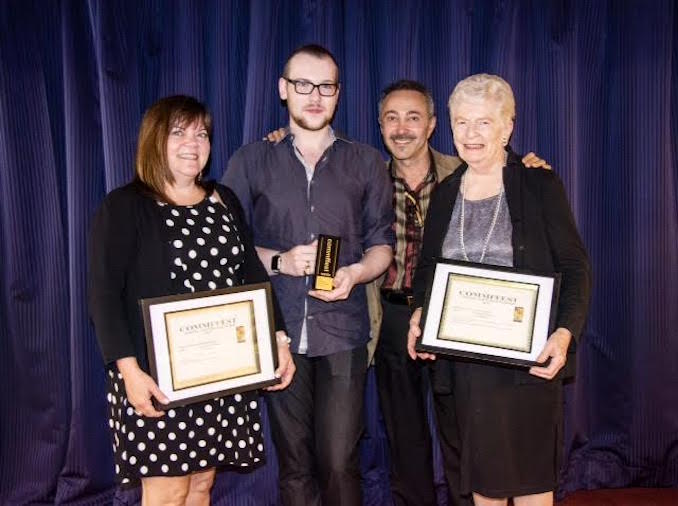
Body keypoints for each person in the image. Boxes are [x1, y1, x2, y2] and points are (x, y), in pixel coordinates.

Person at [88, 95, 295, 505]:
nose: (192, 143)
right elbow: (104, 296)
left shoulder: (224, 200)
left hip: (220, 373)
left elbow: (252, 275)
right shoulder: (125, 206)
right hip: (156, 377)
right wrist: (129, 373)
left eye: (201, 134)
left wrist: (279, 339)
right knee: (168, 491)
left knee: (201, 485)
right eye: (178, 132)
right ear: (154, 140)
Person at [407, 74, 591, 506]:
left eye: (484, 123)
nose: (471, 135)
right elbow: (429, 269)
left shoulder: (539, 183)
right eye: (461, 123)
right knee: (482, 493)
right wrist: (421, 312)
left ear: (507, 127)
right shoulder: (447, 192)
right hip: (464, 373)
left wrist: (565, 334)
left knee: (531, 492)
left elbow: (575, 266)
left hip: (527, 368)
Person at [223, 45, 394, 506]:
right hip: (279, 333)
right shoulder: (251, 160)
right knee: (294, 465)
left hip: (344, 333)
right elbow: (229, 247)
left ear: (338, 94)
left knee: (340, 463)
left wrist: (356, 273)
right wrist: (279, 261)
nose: (314, 96)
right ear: (283, 90)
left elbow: (383, 245)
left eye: (325, 86)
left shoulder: (366, 162)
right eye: (303, 84)